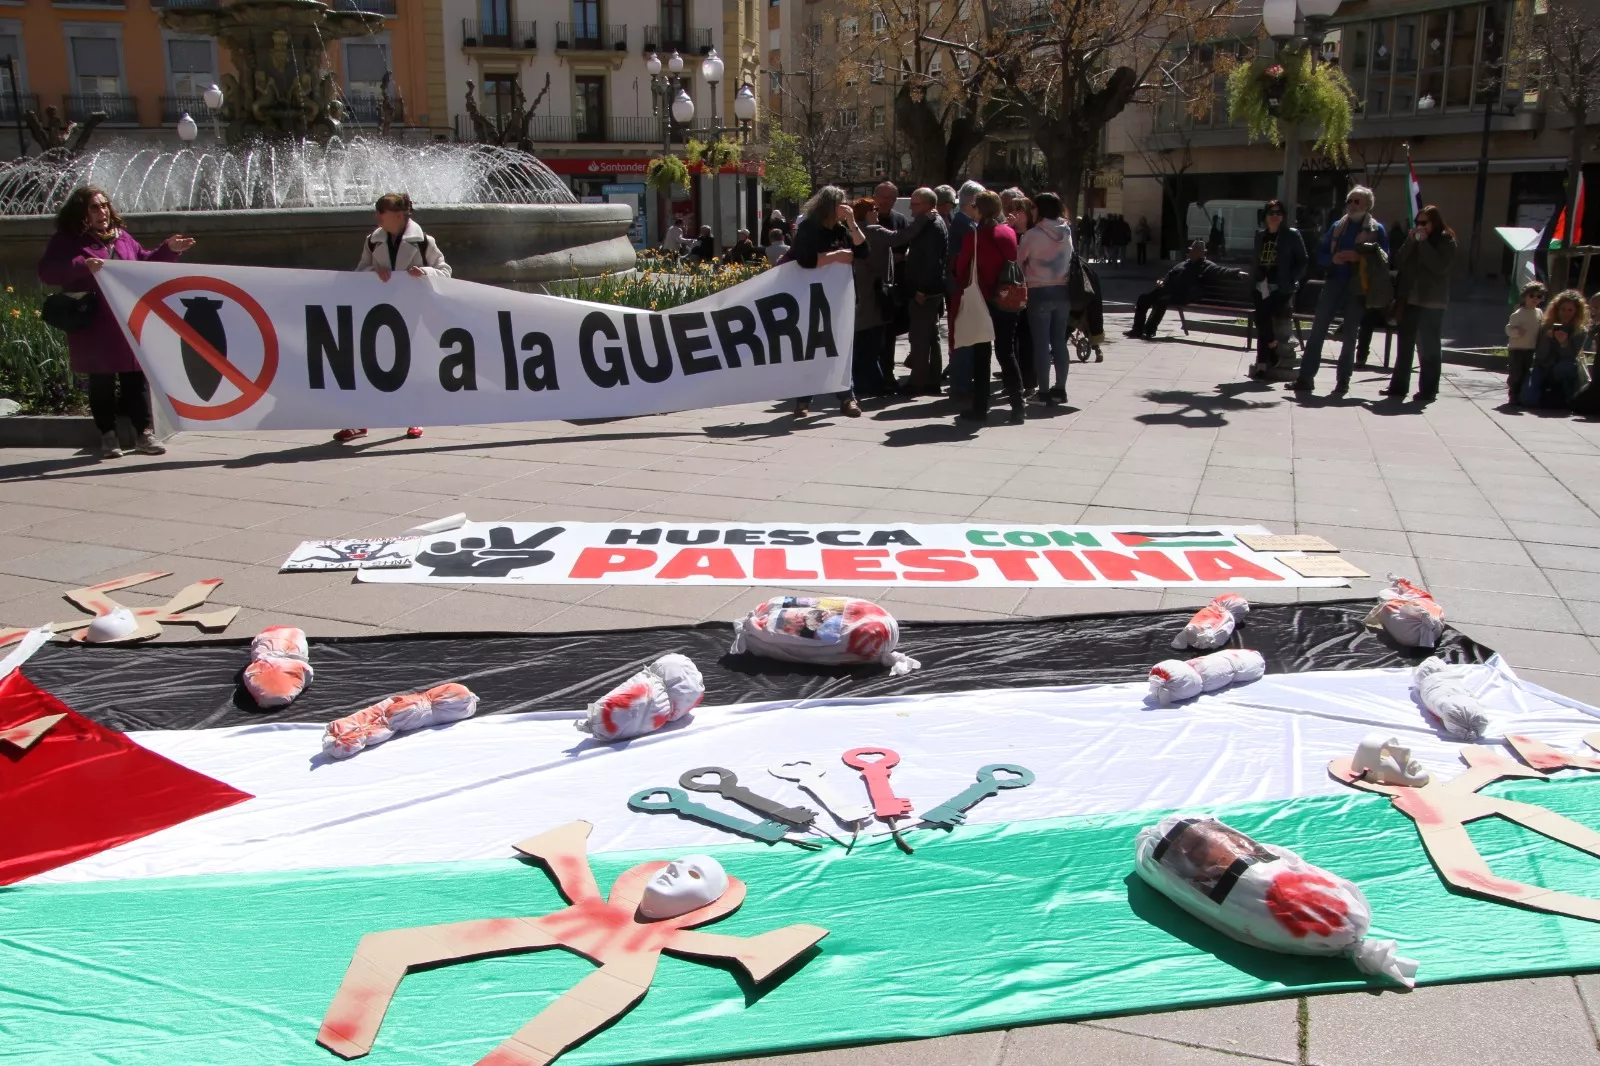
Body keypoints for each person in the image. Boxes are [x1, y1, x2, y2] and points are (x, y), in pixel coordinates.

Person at [38, 186, 193, 459]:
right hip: (95, 323)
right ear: (81, 212)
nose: (103, 212)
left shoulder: (122, 237)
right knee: (102, 380)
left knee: (136, 378)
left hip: (126, 320)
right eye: (94, 207)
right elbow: (48, 272)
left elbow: (143, 263)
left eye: (104, 206)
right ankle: (108, 436)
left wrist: (169, 250)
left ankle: (144, 434)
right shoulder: (68, 240)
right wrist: (83, 264)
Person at [336, 192, 450, 443]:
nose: (377, 215)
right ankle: (359, 421)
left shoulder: (424, 242)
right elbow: (359, 271)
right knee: (368, 364)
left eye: (382, 211)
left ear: (398, 215)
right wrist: (373, 271)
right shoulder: (372, 240)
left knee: (410, 366)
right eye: (377, 211)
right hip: (379, 313)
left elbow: (445, 271)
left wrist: (425, 272)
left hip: (413, 313)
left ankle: (415, 417)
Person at [1290, 184, 1390, 396]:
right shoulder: (1338, 226)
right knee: (1317, 330)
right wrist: (1332, 259)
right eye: (1349, 201)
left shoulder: (1376, 229)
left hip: (1358, 287)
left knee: (1350, 335)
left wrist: (1359, 257)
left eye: (1357, 201)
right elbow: (1321, 254)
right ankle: (1305, 378)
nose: (1352, 205)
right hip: (1334, 282)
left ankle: (1343, 382)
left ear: (1368, 205)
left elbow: (1384, 260)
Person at [790, 185, 866, 418]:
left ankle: (847, 398)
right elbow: (804, 259)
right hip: (813, 299)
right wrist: (835, 256)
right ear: (829, 206)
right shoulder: (808, 228)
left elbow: (863, 251)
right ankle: (803, 399)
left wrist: (852, 223)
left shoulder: (842, 230)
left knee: (842, 348)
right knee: (813, 349)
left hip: (840, 299)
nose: (845, 207)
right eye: (841, 203)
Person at [951, 190, 1025, 425]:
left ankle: (980, 408)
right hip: (1007, 296)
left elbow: (962, 266)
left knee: (981, 355)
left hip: (982, 297)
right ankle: (1018, 405)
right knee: (1006, 351)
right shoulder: (1008, 232)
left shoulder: (975, 235)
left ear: (980, 209)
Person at [1384, 204, 1458, 404]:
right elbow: (1399, 261)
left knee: (1429, 347)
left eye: (1424, 223)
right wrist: (1410, 242)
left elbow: (1438, 267)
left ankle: (1428, 389)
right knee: (1404, 344)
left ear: (1435, 222)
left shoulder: (1446, 240)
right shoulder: (1414, 239)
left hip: (1431, 300)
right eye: (1417, 223)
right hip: (1409, 298)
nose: (1420, 226)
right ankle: (1398, 387)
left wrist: (1424, 243)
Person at [886, 186, 949, 394]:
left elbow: (931, 262)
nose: (911, 209)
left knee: (920, 337)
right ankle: (931, 380)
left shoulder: (931, 226)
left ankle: (919, 382)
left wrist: (921, 290)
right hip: (930, 288)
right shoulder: (933, 222)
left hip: (925, 290)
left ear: (928, 205)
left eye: (915, 204)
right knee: (930, 335)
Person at [1018, 191, 1074, 405]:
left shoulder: (1032, 235)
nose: (1031, 211)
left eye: (1033, 207)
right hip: (1062, 291)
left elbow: (1018, 261)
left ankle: (1042, 391)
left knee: (1041, 343)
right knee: (1059, 341)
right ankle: (1060, 389)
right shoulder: (1066, 231)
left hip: (1038, 291)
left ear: (1040, 209)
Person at [1126, 240, 1237, 340]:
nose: (1191, 252)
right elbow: (1169, 274)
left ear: (1202, 253)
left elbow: (1221, 270)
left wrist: (1236, 272)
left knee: (1161, 301)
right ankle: (1137, 330)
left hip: (1183, 294)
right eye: (1191, 250)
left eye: (1194, 251)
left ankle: (1149, 330)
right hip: (1168, 290)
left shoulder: (1207, 266)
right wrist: (1162, 280)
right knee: (1143, 298)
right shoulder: (1184, 263)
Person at [1247, 198, 1308, 380]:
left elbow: (1303, 260)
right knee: (1262, 319)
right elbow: (1256, 258)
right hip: (1261, 284)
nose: (1275, 216)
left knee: (1263, 317)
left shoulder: (1291, 235)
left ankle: (1264, 361)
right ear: (1265, 216)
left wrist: (1292, 279)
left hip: (1281, 286)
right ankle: (1268, 354)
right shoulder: (1260, 235)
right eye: (1271, 213)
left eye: (1278, 213)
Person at [848, 197, 896, 401]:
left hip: (860, 294)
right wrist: (925, 218)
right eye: (874, 208)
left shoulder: (852, 231)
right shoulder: (872, 230)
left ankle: (864, 383)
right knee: (871, 342)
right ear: (865, 212)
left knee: (862, 341)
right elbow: (901, 237)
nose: (878, 211)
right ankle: (872, 383)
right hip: (872, 294)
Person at [946, 180, 985, 400]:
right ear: (972, 202)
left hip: (962, 286)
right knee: (964, 337)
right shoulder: (965, 225)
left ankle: (962, 382)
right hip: (963, 287)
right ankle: (961, 384)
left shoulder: (963, 222)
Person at [1522, 290, 1590, 408]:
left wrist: (1564, 344)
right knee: (1527, 399)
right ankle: (1545, 395)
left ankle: (1567, 396)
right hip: (1543, 367)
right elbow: (1540, 356)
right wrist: (1547, 339)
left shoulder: (1580, 331)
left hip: (1563, 370)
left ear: (1576, 312)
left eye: (1570, 310)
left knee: (1565, 367)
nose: (1566, 313)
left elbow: (1571, 358)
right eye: (1563, 309)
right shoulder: (1546, 326)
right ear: (1557, 309)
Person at [1505, 281, 1546, 404]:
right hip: (1517, 348)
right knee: (1516, 371)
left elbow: (1540, 327)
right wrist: (1516, 332)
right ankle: (1513, 393)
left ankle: (1522, 393)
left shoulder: (1539, 313)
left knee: (1527, 371)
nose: (1535, 299)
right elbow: (1508, 329)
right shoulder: (1518, 314)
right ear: (1525, 296)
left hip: (1531, 347)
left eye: (1539, 296)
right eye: (1532, 295)